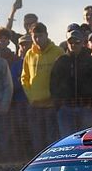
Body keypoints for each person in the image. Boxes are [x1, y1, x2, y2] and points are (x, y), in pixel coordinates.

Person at [50, 29, 92, 136]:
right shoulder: (61, 61)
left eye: (77, 42)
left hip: (87, 108)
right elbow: (53, 83)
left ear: (82, 42)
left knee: (88, 139)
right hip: (65, 109)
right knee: (68, 141)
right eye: (70, 42)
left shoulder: (90, 61)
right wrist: (59, 104)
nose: (73, 45)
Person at [21, 22, 63, 151]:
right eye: (35, 36)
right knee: (37, 138)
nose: (38, 39)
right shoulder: (29, 54)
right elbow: (24, 78)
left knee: (52, 139)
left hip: (52, 105)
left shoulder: (58, 52)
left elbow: (63, 77)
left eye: (40, 35)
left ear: (47, 35)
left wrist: (57, 96)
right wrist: (31, 96)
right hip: (35, 105)